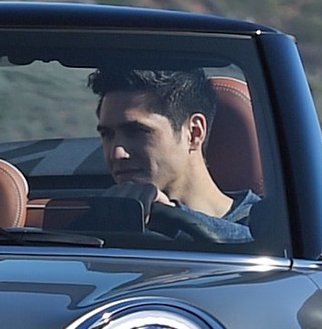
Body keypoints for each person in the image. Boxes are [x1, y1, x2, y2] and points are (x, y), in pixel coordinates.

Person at [88, 67, 259, 242]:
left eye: (136, 131)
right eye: (107, 135)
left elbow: (264, 248)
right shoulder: (97, 229)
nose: (117, 153)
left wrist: (172, 218)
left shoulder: (270, 224)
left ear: (193, 133)